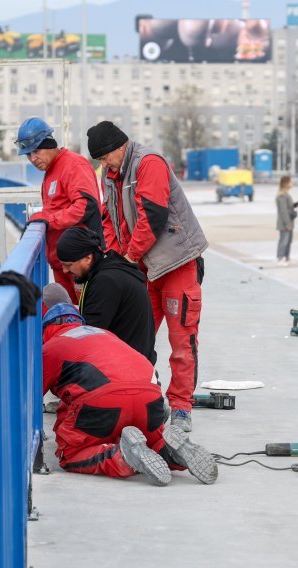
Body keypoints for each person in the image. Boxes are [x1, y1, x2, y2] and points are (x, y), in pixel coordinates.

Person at [86, 120, 208, 433]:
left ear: (119, 147)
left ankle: (180, 405)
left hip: (176, 264)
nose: (104, 164)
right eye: (99, 161)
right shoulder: (111, 176)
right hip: (144, 268)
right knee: (134, 338)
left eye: (105, 158)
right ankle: (141, 397)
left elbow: (151, 217)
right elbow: (111, 220)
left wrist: (128, 258)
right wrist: (114, 259)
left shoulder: (148, 164)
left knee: (182, 340)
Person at [41, 303, 218, 486]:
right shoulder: (104, 334)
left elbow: (29, 399)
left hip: (105, 401)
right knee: (150, 441)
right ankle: (169, 450)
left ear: (45, 330)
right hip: (150, 399)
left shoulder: (51, 347)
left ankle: (123, 457)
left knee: (70, 453)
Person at [15, 116, 103, 302]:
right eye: (28, 155)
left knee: (87, 320)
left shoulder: (73, 165)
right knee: (68, 320)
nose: (32, 158)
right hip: (62, 264)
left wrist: (48, 219)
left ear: (50, 143)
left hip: (80, 263)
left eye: (36, 151)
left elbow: (86, 205)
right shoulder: (51, 170)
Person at [55, 226, 156, 364]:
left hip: (128, 368)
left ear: (88, 258)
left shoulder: (105, 282)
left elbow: (90, 334)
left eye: (68, 265)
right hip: (137, 359)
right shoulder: (107, 269)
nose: (65, 271)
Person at [275, 175, 298, 266]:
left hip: (289, 221)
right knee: (283, 240)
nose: (292, 183)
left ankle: (287, 257)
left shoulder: (287, 194)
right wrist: (287, 224)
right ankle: (280, 258)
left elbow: (288, 208)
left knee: (289, 241)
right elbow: (283, 211)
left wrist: (294, 206)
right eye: (290, 182)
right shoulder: (281, 195)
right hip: (285, 223)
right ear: (286, 183)